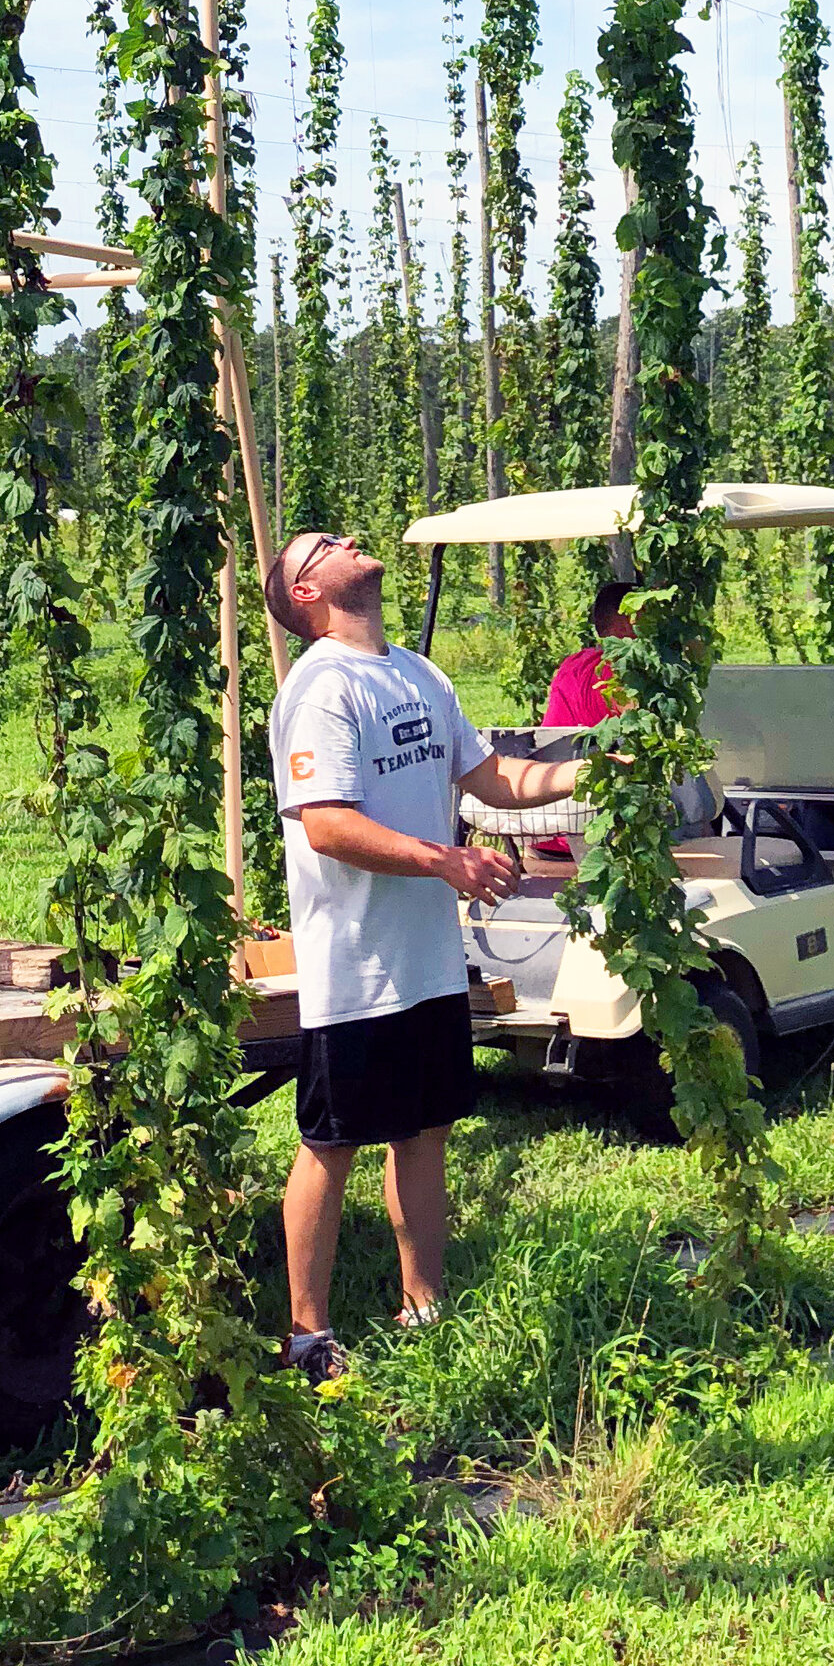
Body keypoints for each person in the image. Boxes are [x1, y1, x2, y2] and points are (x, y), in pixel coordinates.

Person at [264, 524, 583, 1380]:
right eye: (326, 544)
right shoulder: (319, 688)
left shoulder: (417, 673)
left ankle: (423, 1306)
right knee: (331, 1140)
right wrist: (447, 859)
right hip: (355, 965)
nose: (352, 540)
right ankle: (308, 1336)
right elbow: (327, 823)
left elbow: (497, 779)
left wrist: (599, 765)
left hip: (428, 962)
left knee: (425, 1130)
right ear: (306, 592)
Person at [541, 577, 636, 731]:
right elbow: (641, 726)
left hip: (554, 752)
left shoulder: (573, 664)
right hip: (605, 755)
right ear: (626, 624)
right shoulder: (623, 671)